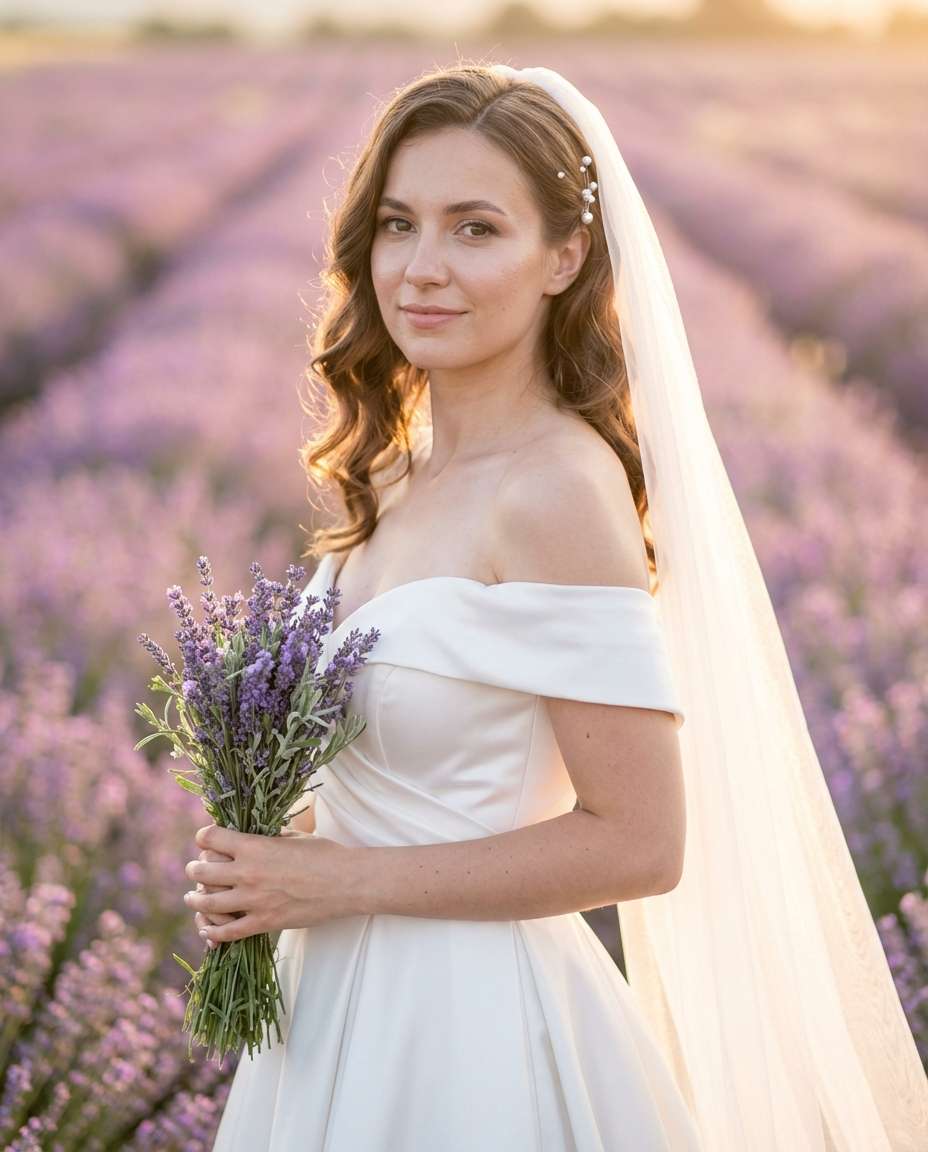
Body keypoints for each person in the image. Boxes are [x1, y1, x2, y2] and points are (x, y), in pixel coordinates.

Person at [186, 61, 928, 1151]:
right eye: (399, 224)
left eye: (476, 229)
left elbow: (639, 842)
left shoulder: (559, 492)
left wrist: (339, 878)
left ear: (564, 256)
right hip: (329, 1008)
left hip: (468, 1031)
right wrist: (268, 853)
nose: (421, 269)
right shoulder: (396, 473)